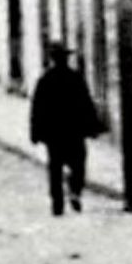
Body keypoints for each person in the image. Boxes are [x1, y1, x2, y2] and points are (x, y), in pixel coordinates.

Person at [29, 41, 103, 217]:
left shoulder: (45, 80)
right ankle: (75, 191)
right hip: (73, 132)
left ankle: (58, 203)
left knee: (55, 168)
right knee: (78, 165)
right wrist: (93, 127)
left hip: (54, 134)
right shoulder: (75, 78)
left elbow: (37, 109)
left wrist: (35, 132)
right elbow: (86, 104)